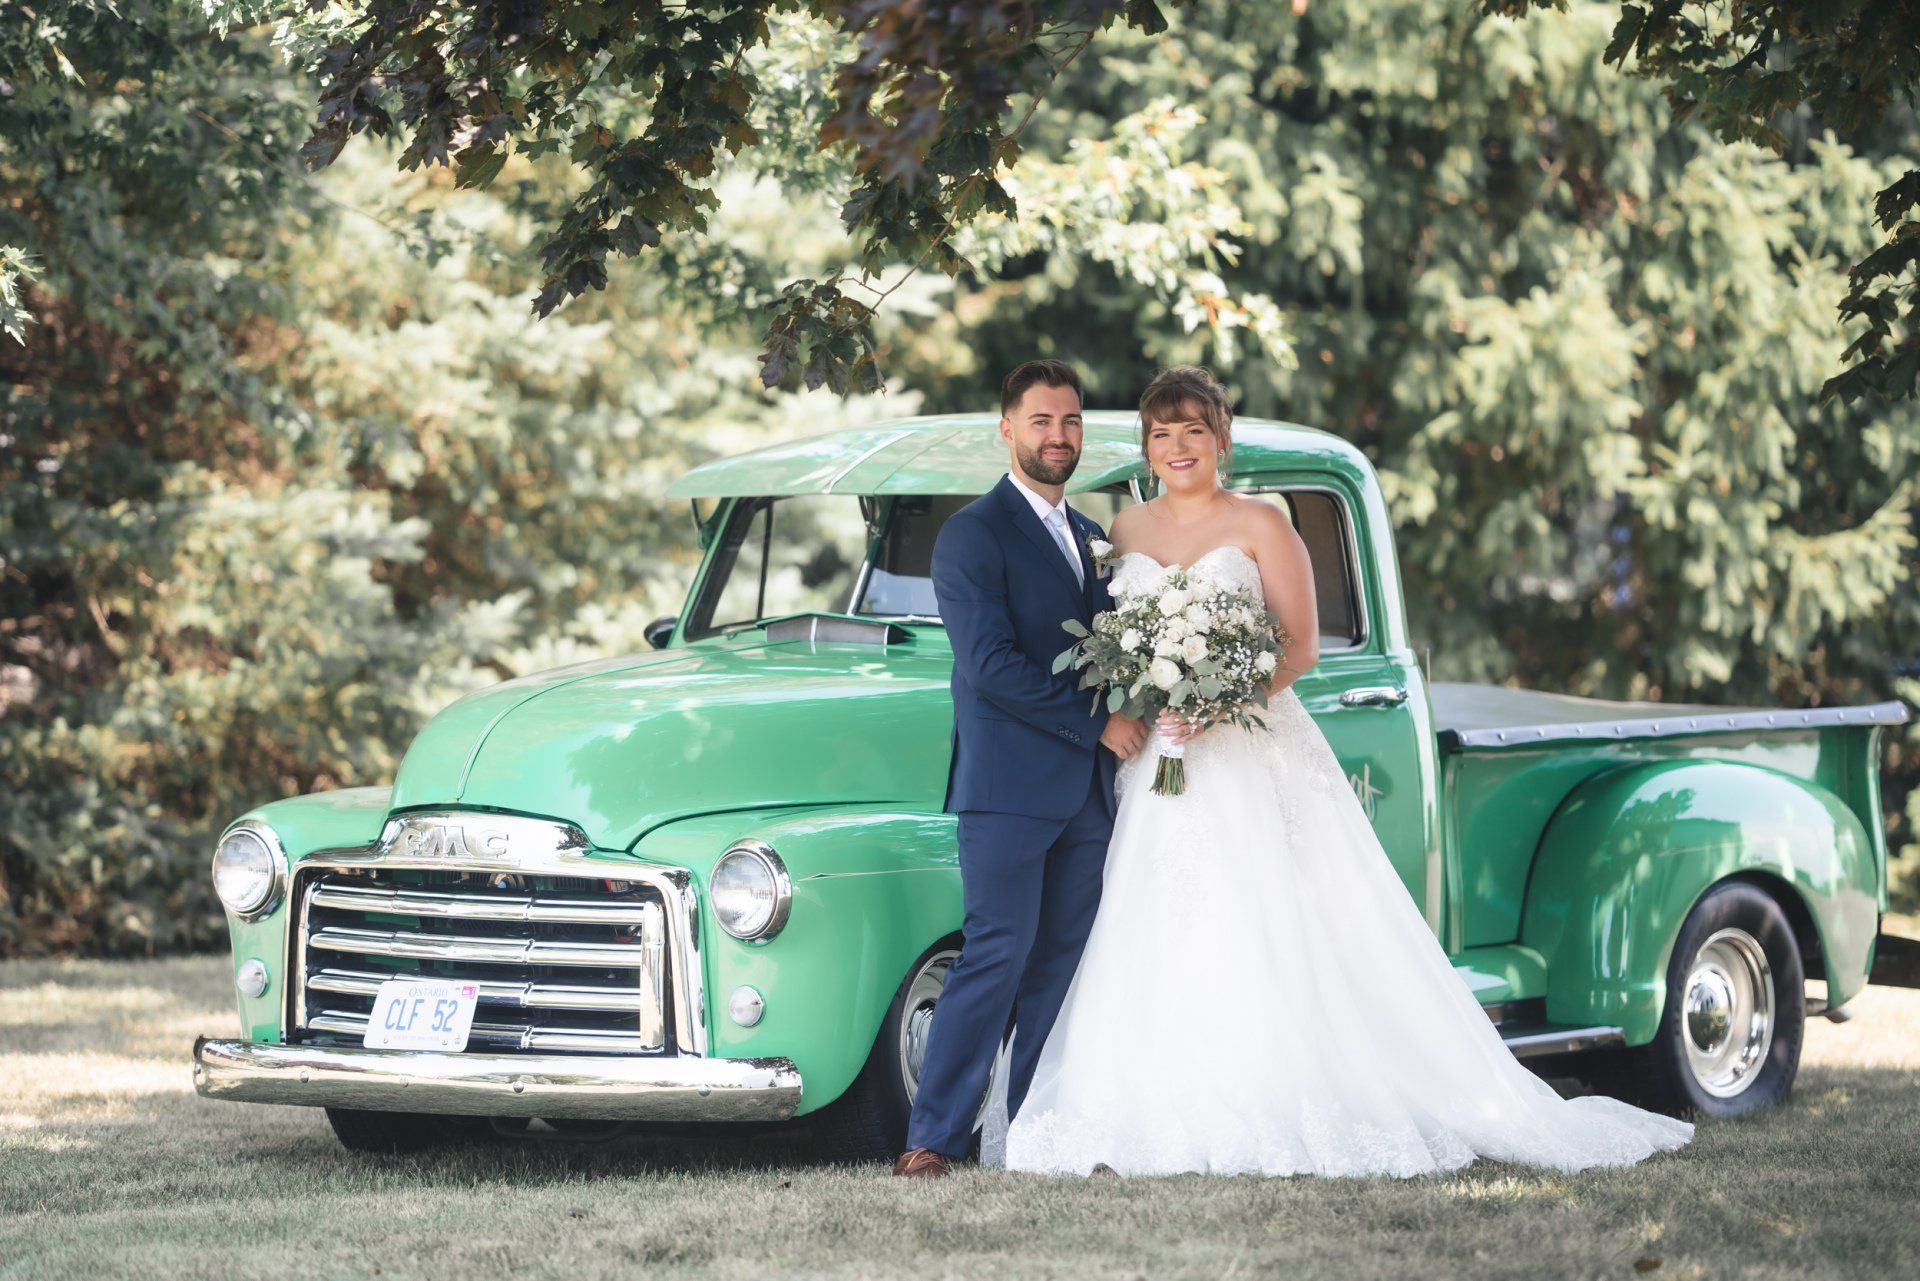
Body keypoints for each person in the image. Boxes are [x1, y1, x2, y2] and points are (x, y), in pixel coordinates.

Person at [989, 366, 1695, 1176]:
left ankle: (1275, 1092)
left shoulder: (1264, 522)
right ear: (1145, 446)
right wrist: (1154, 696)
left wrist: (1218, 700)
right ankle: (1146, 1099)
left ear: (1221, 438)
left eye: (1192, 430)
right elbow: (1115, 637)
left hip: (1243, 744)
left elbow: (1299, 646)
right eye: (1160, 432)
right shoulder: (1126, 527)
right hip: (1160, 753)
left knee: (1256, 912)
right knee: (1149, 914)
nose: (1176, 447)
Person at [892, 359, 1148, 1178]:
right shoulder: (973, 533)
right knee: (995, 953)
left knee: (1061, 965)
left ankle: (1030, 1133)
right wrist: (1097, 723)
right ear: (1007, 428)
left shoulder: (1087, 534)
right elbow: (990, 665)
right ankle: (931, 1138)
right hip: (1008, 788)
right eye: (1041, 421)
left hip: (1087, 795)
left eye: (1071, 422)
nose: (1058, 436)